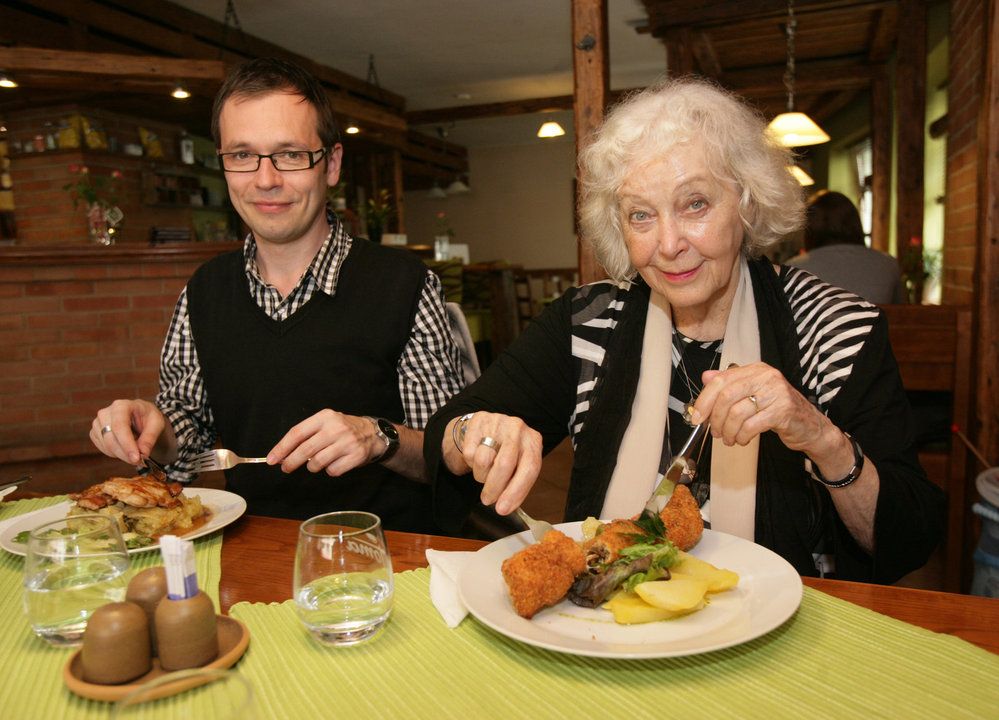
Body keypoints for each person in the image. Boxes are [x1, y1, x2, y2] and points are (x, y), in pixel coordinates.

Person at [423, 78, 943, 583]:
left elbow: (907, 537)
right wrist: (475, 433)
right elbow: (447, 432)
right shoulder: (587, 322)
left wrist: (820, 437)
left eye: (695, 203)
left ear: (746, 201)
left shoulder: (836, 329)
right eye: (641, 215)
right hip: (611, 627)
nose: (669, 243)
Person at [90, 58, 463, 530]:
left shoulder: (406, 285)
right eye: (243, 155)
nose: (265, 180)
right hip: (253, 550)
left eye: (289, 154)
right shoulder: (203, 291)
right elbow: (190, 444)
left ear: (331, 164)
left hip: (389, 554)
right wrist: (153, 431)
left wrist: (378, 436)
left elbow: (448, 456)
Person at [787, 190, 906, 304]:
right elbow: (903, 314)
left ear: (810, 228)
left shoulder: (793, 269)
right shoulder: (888, 264)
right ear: (856, 223)